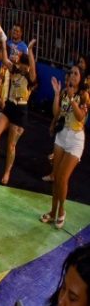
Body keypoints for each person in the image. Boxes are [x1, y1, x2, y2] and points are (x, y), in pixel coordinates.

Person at [0, 41, 37, 185]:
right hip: (10, 106)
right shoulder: (15, 71)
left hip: (20, 110)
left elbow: (33, 70)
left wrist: (30, 50)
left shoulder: (31, 79)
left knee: (11, 145)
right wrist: (4, 43)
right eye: (22, 64)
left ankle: (7, 172)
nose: (23, 67)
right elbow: (5, 60)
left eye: (25, 65)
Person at [44, 66, 88, 229]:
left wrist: (71, 99)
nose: (72, 76)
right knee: (56, 177)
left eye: (76, 74)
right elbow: (56, 113)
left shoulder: (84, 95)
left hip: (76, 139)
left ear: (81, 78)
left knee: (63, 178)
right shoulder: (64, 91)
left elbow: (81, 117)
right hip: (61, 136)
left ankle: (61, 211)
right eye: (71, 73)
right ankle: (52, 211)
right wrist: (57, 95)